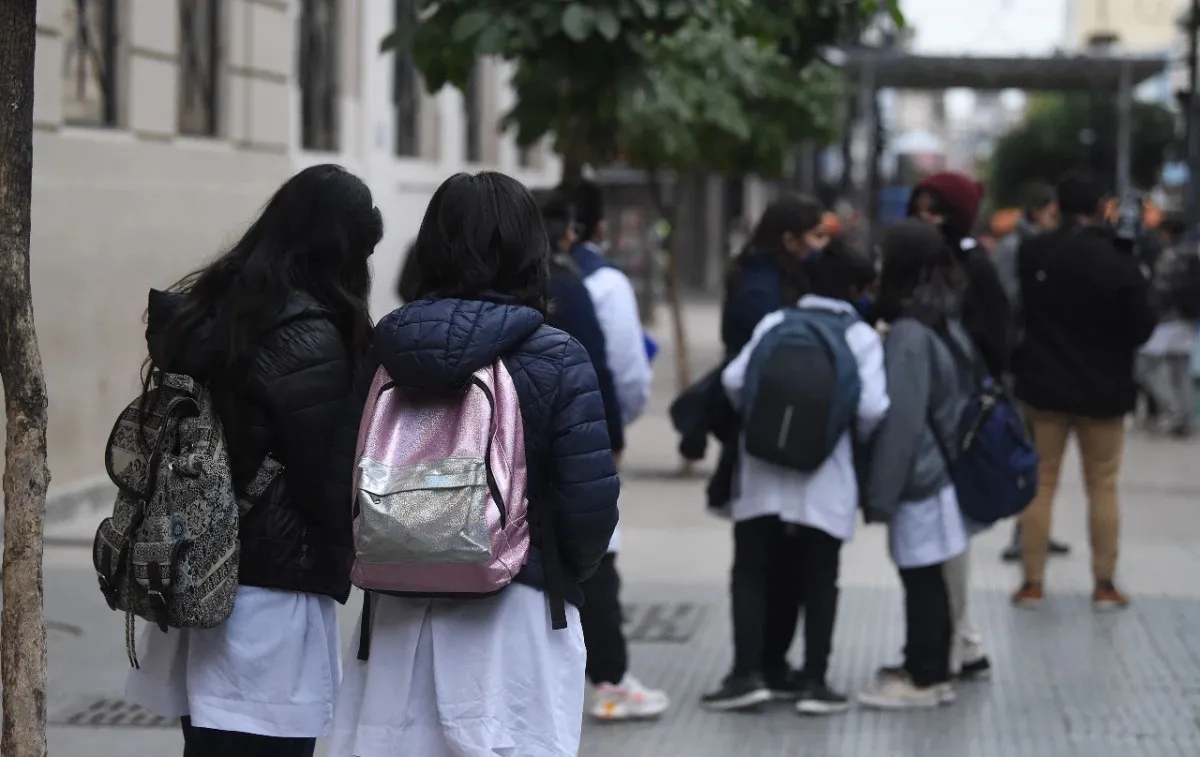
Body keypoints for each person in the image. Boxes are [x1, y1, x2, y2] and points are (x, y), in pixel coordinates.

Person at [327, 172, 620, 756]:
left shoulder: (384, 350)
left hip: (397, 617)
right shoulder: (557, 356)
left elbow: (342, 479)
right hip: (516, 619)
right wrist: (547, 567)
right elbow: (589, 509)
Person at [123, 164, 381, 756]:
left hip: (201, 581)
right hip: (271, 603)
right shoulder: (310, 339)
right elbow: (325, 482)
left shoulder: (217, 314)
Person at [711, 240, 889, 715]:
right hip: (825, 476)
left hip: (760, 470)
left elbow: (732, 382)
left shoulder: (775, 323)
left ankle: (746, 674)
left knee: (751, 570)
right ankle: (814, 681)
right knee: (820, 576)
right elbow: (872, 408)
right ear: (856, 290)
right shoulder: (861, 337)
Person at [700, 194, 830, 710]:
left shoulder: (772, 278)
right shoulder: (763, 289)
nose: (821, 246)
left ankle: (769, 665)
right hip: (765, 438)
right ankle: (751, 668)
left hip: (776, 437)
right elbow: (750, 369)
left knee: (777, 559)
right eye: (815, 236)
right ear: (790, 239)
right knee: (758, 560)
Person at [1011, 169, 1157, 610]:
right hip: (1104, 391)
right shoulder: (1119, 258)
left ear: (1057, 207)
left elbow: (1025, 313)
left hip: (1044, 388)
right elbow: (1142, 326)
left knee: (1040, 484)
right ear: (1101, 208)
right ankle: (1104, 585)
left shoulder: (1034, 251)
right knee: (1103, 485)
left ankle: (1032, 583)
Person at [857, 220, 976, 710]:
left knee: (921, 575)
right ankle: (926, 663)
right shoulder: (942, 317)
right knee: (929, 572)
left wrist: (880, 494)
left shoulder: (908, 333)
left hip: (920, 475)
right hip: (941, 469)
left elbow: (902, 421)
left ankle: (925, 677)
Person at [564, 180, 669, 720]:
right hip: (584, 436)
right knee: (597, 556)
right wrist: (616, 431)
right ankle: (609, 677)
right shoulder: (600, 283)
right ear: (595, 229)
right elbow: (625, 371)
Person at [906, 172, 998, 681]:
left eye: (935, 210)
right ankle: (954, 644)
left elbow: (994, 341)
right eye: (919, 209)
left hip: (957, 422)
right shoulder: (912, 264)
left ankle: (959, 643)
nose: (926, 219)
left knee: (949, 534)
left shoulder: (973, 267)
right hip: (923, 420)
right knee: (931, 539)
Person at [992, 183, 1071, 563]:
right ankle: (1020, 533)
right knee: (1025, 450)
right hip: (1021, 361)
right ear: (1040, 211)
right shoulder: (1016, 248)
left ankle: (1035, 531)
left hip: (1037, 359)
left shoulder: (1041, 245)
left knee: (1038, 454)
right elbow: (1007, 300)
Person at [1141, 211, 1200, 437]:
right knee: (1181, 370)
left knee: (1145, 365)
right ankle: (1186, 418)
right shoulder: (1193, 253)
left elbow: (1159, 290)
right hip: (1187, 320)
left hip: (1166, 321)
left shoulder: (1168, 257)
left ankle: (1172, 408)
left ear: (1166, 233)